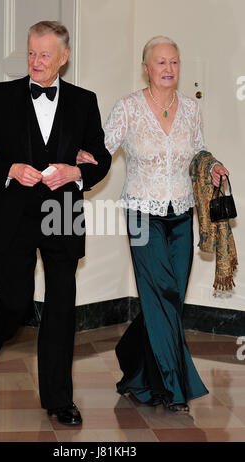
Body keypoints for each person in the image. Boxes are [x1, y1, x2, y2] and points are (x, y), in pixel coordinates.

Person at [0, 20, 111, 426]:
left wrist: (76, 173)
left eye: (45, 54)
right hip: (13, 216)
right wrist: (9, 168)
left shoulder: (85, 101)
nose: (36, 61)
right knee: (15, 303)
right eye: (31, 52)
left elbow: (101, 158)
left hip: (62, 214)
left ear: (63, 58)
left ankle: (60, 399)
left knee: (62, 307)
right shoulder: (0, 96)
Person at [77, 36, 229, 413]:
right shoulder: (128, 107)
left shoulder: (191, 109)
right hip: (142, 213)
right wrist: (79, 161)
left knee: (171, 296)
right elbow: (103, 149)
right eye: (160, 63)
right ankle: (172, 387)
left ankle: (132, 353)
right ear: (146, 68)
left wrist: (212, 167)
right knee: (161, 291)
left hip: (181, 213)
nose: (168, 69)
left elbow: (197, 152)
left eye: (174, 62)